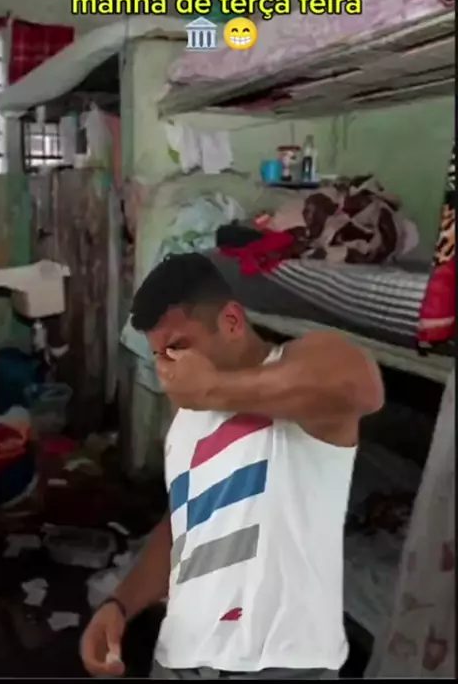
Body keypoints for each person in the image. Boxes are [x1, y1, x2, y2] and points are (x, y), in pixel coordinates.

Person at [81, 253, 384, 680]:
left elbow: (362, 387)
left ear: (231, 322)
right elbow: (184, 527)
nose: (168, 370)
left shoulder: (295, 373)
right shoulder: (190, 414)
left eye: (178, 347)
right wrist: (120, 605)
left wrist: (214, 389)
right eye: (159, 355)